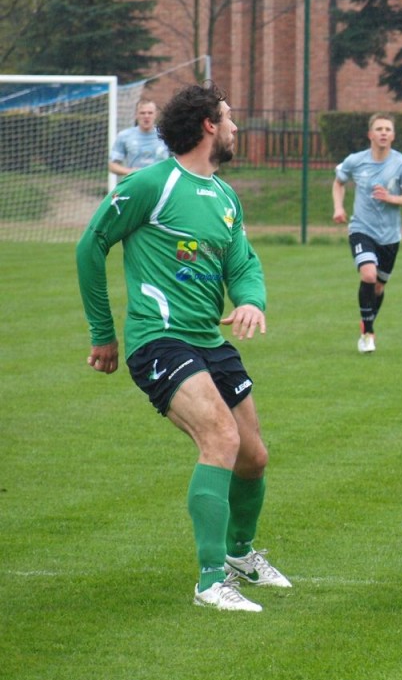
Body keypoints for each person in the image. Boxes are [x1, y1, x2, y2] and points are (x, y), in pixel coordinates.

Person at [76, 82, 290, 613]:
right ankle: (210, 582)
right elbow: (90, 246)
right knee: (220, 437)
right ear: (208, 125)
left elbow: (242, 263)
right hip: (160, 339)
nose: (236, 126)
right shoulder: (152, 184)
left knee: (254, 457)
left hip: (209, 340)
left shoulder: (225, 195)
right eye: (229, 117)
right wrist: (103, 332)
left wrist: (251, 301)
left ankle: (240, 555)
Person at [332, 113, 402, 353]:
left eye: (388, 129)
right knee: (368, 275)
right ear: (370, 134)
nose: (383, 133)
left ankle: (366, 325)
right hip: (361, 229)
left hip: (390, 236)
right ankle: (368, 333)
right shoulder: (356, 161)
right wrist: (338, 207)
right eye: (379, 129)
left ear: (393, 136)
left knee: (378, 287)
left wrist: (390, 198)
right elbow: (339, 182)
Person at [108, 98, 169, 176]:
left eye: (150, 113)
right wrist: (130, 172)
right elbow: (112, 165)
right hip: (136, 181)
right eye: (142, 113)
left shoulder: (166, 135)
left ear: (156, 114)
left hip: (161, 181)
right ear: (136, 115)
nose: (146, 116)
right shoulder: (125, 135)